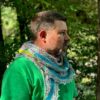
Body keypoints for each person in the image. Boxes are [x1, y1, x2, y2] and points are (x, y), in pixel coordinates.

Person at [0, 10, 78, 100]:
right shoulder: (21, 68)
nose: (68, 38)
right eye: (62, 33)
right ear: (43, 35)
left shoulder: (64, 69)